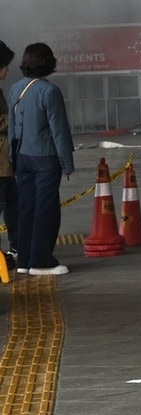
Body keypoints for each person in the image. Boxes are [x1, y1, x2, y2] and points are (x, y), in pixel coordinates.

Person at [7, 42, 76, 276]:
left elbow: (12, 128)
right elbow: (59, 131)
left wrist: (12, 157)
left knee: (26, 208)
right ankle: (42, 261)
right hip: (45, 160)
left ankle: (24, 261)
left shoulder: (15, 88)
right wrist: (67, 162)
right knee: (46, 210)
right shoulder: (50, 91)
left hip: (22, 158)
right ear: (48, 63)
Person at [0, 40, 17, 260]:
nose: (7, 69)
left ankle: (16, 248)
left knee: (13, 204)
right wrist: (15, 116)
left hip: (5, 162)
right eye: (4, 64)